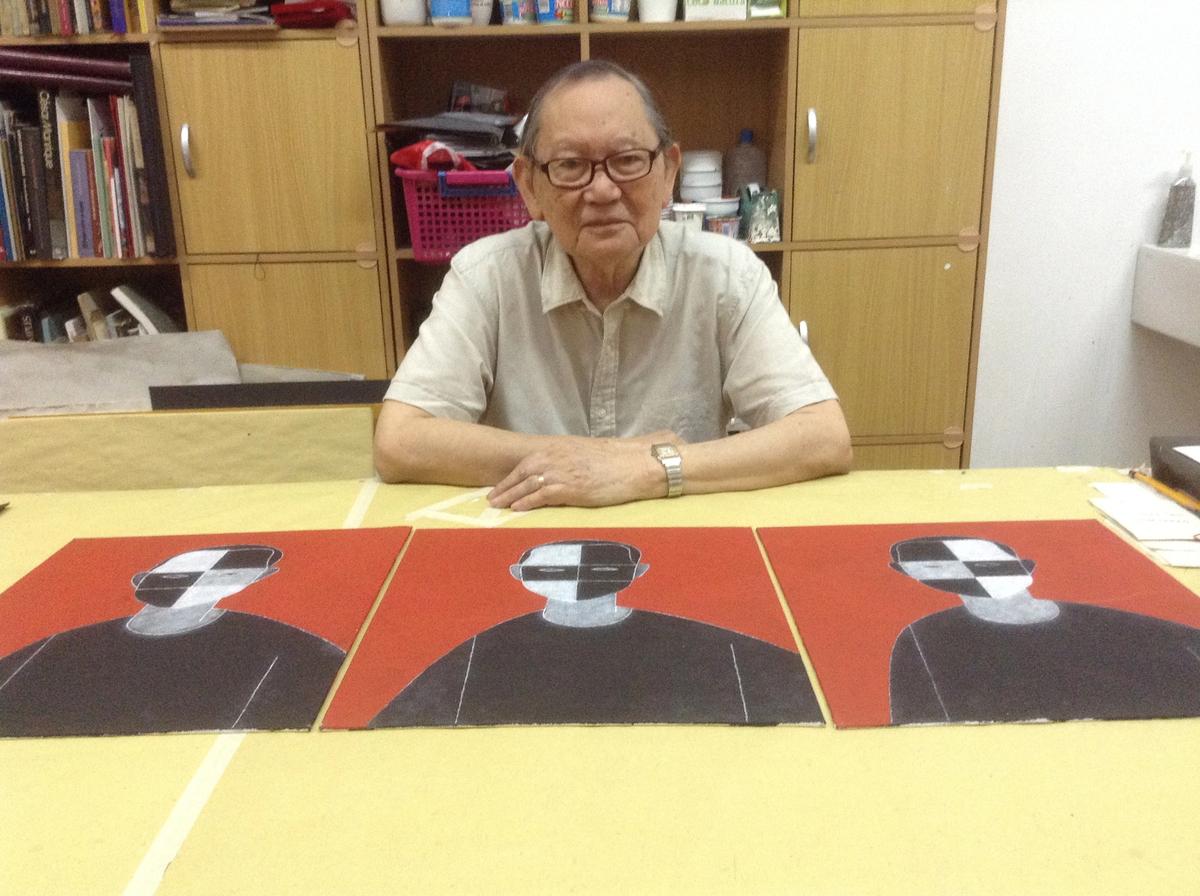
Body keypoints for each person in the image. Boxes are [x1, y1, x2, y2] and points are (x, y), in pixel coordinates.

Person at [374, 60, 851, 511]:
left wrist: (648, 470)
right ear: (528, 186)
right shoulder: (486, 277)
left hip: (685, 542)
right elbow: (400, 441)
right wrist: (588, 457)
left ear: (668, 172)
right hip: (524, 544)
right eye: (569, 165)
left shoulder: (728, 275)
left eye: (627, 160)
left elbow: (822, 436)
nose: (602, 191)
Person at [369, 539, 823, 727]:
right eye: (553, 569)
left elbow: (798, 688)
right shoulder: (486, 650)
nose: (578, 578)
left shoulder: (710, 645)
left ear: (636, 572)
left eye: (602, 567)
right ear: (520, 574)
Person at [0, 546, 345, 737]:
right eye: (176, 577)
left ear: (247, 582)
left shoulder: (281, 648)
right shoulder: (58, 649)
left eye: (221, 575)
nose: (189, 586)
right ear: (142, 580)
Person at [886, 536, 1200, 725]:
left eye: (986, 563)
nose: (967, 572)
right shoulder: (925, 640)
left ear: (1025, 567)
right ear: (919, 577)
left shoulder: (1133, 630)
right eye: (936, 567)